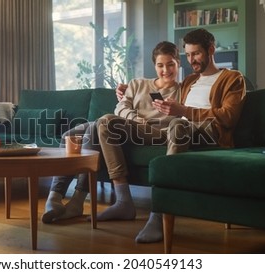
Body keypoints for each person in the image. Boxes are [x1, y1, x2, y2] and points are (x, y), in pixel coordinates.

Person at [96, 28, 246, 243]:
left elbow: (228, 116)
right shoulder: (189, 81)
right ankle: (123, 201)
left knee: (177, 124)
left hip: (208, 132)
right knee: (106, 122)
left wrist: (184, 112)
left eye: (197, 53)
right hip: (173, 131)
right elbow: (159, 86)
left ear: (211, 50)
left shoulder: (232, 78)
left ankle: (158, 213)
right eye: (189, 54)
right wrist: (126, 88)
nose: (192, 59)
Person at [42, 41, 182, 224]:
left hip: (155, 132)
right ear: (154, 65)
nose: (166, 70)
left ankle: (77, 200)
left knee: (102, 124)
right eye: (160, 65)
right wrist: (137, 119)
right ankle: (55, 196)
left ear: (178, 62)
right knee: (70, 135)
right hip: (129, 125)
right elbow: (121, 108)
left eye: (171, 64)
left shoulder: (182, 90)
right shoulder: (138, 84)